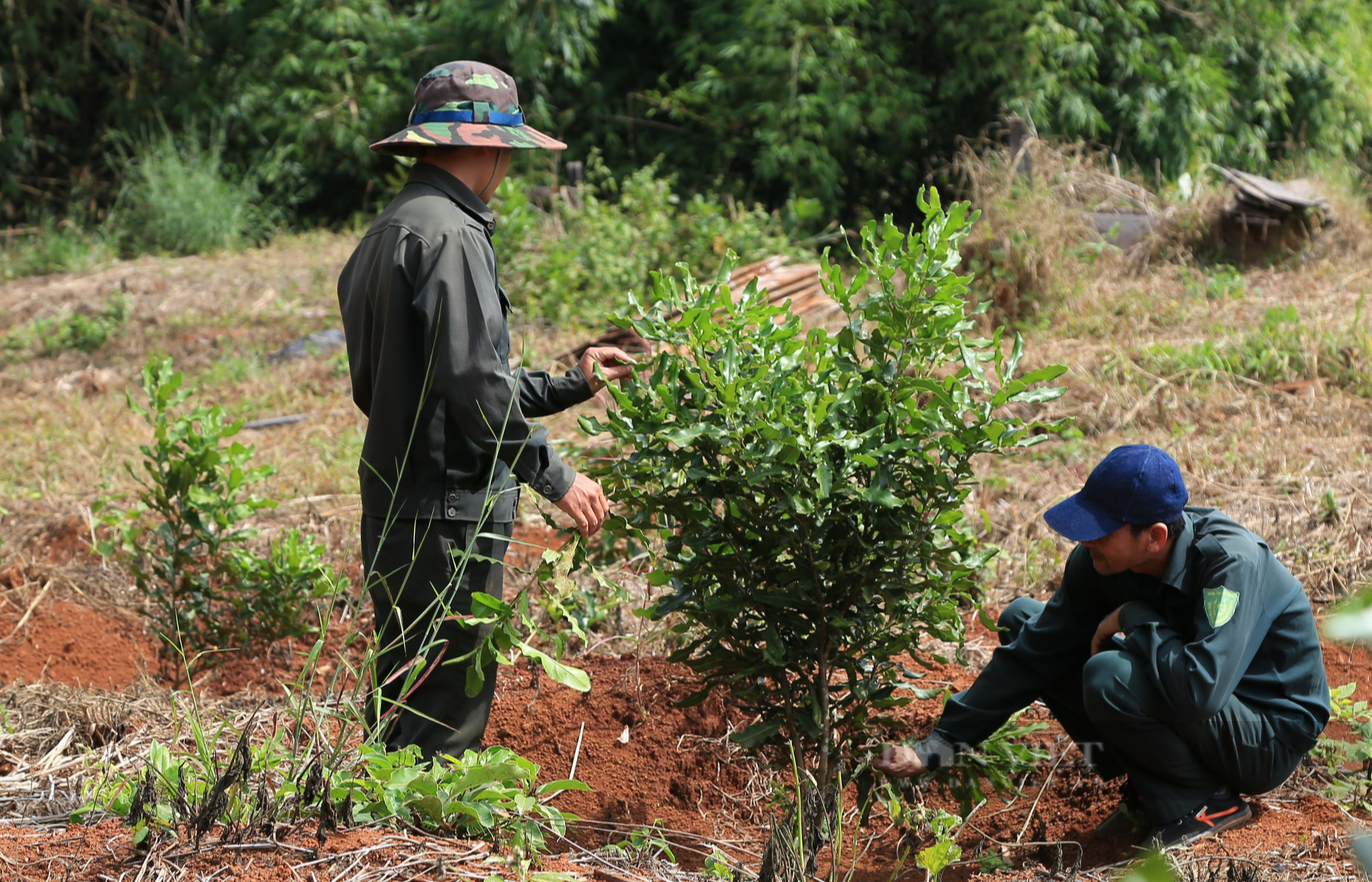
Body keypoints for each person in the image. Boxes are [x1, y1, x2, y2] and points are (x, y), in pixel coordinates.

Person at [337, 60, 636, 759]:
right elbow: (475, 388)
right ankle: (430, 853)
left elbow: (415, 387)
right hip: (448, 522)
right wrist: (557, 476)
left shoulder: (387, 233)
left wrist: (573, 381)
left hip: (395, 513)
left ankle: (385, 840)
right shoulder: (455, 237)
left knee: (403, 699)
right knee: (445, 722)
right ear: (486, 145)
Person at [874, 444, 1330, 849]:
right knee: (1023, 622)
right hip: (1205, 709)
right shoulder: (1097, 565)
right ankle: (1148, 784)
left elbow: (1201, 690)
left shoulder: (1229, 565)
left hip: (1266, 734)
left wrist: (1137, 618)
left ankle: (1205, 803)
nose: (1084, 539)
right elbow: (1033, 656)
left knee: (1108, 675)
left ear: (1154, 537)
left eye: (1102, 530)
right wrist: (939, 745)